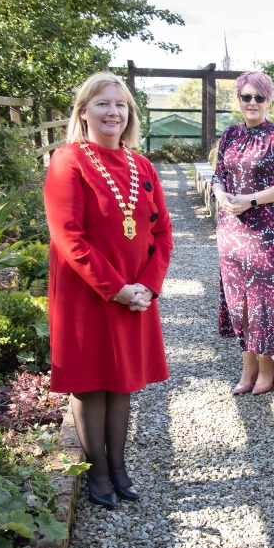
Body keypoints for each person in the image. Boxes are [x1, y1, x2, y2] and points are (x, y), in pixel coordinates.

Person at [44, 72, 173, 510]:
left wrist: (147, 289)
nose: (113, 112)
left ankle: (119, 468)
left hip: (136, 296)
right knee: (90, 383)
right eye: (102, 104)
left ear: (130, 113)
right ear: (83, 111)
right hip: (88, 293)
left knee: (122, 383)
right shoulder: (68, 161)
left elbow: (162, 232)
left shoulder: (142, 166)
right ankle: (97, 471)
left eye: (120, 105)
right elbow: (69, 237)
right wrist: (116, 288)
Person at [211, 71, 274, 396]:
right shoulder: (231, 134)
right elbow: (218, 175)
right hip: (231, 229)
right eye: (246, 97)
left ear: (269, 100)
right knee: (239, 300)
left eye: (258, 97)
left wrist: (250, 199)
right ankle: (248, 365)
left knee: (262, 298)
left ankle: (266, 366)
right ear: (239, 100)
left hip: (265, 231)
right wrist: (223, 197)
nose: (252, 103)